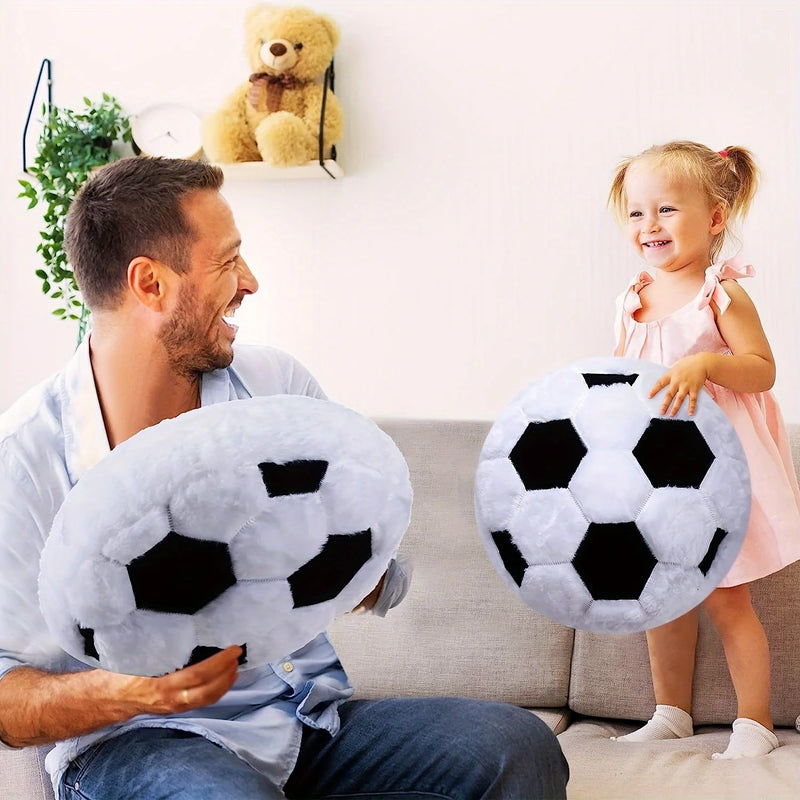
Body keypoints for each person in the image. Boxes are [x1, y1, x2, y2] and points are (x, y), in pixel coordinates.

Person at [0, 157, 569, 800]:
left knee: (514, 747)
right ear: (150, 284)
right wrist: (138, 692)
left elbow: (377, 582)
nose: (250, 282)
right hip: (141, 742)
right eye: (227, 262)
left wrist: (351, 558)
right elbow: (6, 701)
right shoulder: (23, 460)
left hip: (298, 722)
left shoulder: (276, 390)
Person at [607, 140, 800, 759]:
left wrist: (709, 364)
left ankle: (756, 723)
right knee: (663, 592)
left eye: (666, 210)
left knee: (725, 595)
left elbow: (762, 370)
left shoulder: (720, 294)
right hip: (656, 476)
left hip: (716, 473)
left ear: (715, 218)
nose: (649, 225)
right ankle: (671, 712)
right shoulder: (633, 296)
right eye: (637, 213)